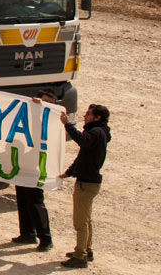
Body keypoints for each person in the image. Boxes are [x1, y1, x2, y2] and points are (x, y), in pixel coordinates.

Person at [59, 103, 111, 268]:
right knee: (86, 219)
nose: (85, 116)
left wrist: (68, 124)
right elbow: (82, 156)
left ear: (97, 117)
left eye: (88, 114)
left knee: (80, 221)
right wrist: (68, 172)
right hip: (91, 182)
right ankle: (86, 250)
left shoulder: (95, 132)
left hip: (86, 183)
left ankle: (80, 256)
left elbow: (81, 141)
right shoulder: (99, 133)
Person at [13, 91, 56, 251]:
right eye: (44, 102)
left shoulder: (53, 122)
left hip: (37, 168)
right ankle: (27, 233)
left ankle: (45, 238)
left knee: (36, 202)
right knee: (23, 201)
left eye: (49, 103)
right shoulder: (28, 118)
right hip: (24, 164)